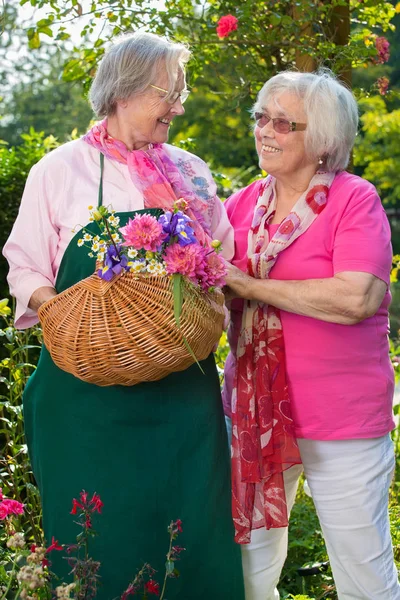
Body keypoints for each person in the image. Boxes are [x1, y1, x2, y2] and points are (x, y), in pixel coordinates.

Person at [3, 32, 245, 599]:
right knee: (97, 548)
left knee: (191, 543)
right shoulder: (58, 170)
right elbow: (25, 267)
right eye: (171, 92)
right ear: (126, 91)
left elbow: (223, 263)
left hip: (180, 399)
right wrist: (59, 308)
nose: (180, 107)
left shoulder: (192, 173)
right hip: (85, 401)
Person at [222, 69, 400, 600]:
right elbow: (213, 295)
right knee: (248, 573)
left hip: (341, 417)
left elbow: (356, 298)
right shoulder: (239, 206)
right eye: (261, 117)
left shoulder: (353, 200)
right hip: (254, 413)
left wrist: (248, 284)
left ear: (321, 140)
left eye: (283, 122)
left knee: (363, 576)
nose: (264, 130)